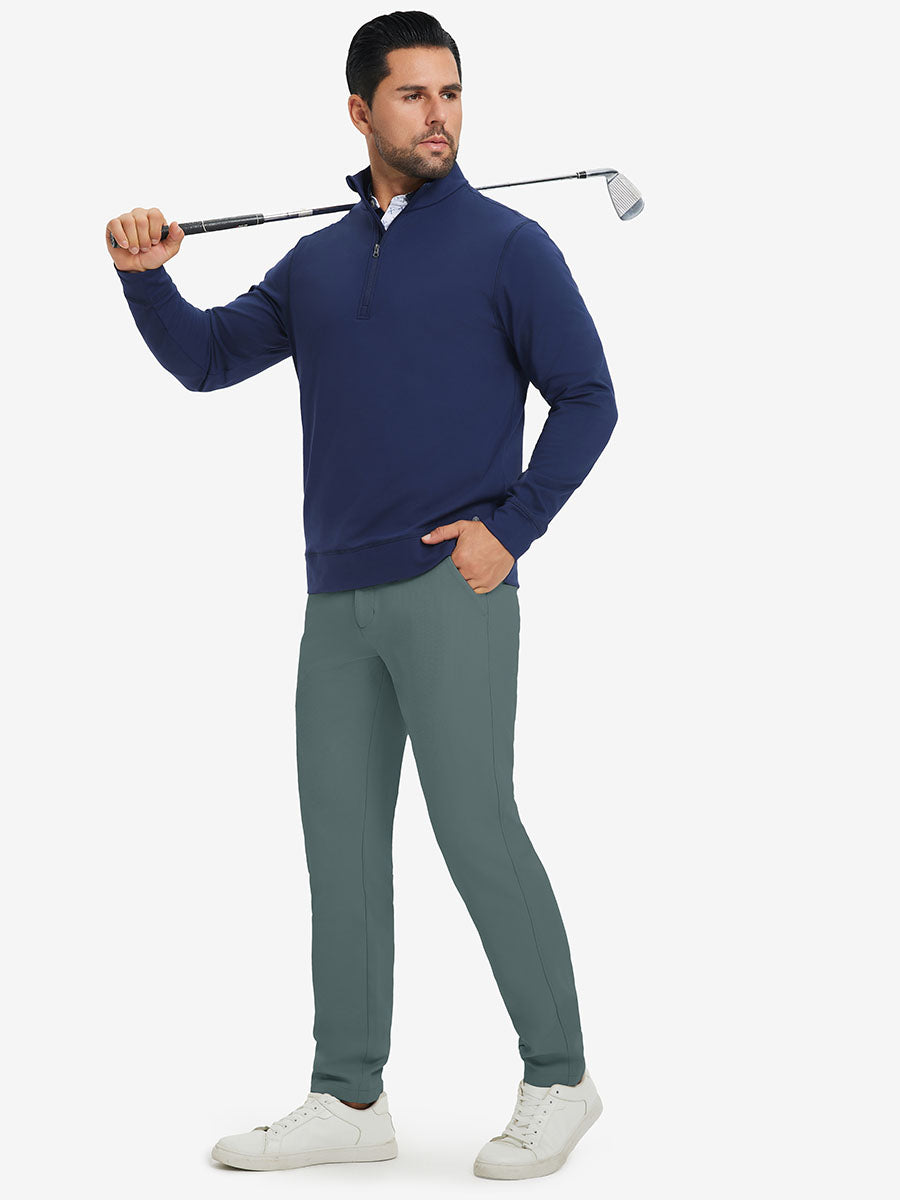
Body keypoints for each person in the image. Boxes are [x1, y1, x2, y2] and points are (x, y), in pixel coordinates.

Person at [107, 10, 617, 1182]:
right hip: (335, 598)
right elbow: (206, 358)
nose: (438, 115)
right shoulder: (321, 261)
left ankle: (560, 1078)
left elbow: (589, 397)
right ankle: (349, 1095)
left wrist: (511, 530)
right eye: (412, 95)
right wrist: (146, 279)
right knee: (339, 846)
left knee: (475, 829)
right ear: (360, 110)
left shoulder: (509, 245)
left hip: (452, 585)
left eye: (452, 93)